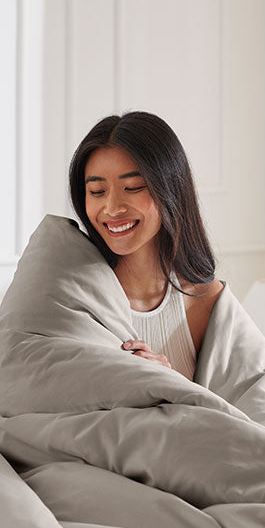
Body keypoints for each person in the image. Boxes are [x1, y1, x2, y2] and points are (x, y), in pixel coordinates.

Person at [68, 111, 224, 381]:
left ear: (170, 189)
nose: (112, 207)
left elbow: (243, 409)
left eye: (133, 187)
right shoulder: (70, 295)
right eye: (97, 192)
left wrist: (170, 384)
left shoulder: (206, 301)